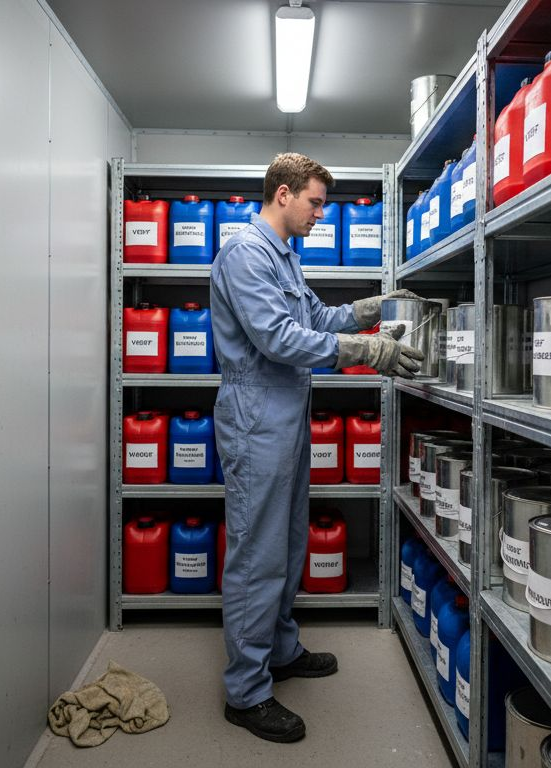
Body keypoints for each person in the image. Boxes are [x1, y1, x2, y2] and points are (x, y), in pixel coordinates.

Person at [210, 153, 425, 743]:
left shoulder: (283, 256)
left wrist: (366, 311)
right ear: (283, 194)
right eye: (315, 202)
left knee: (287, 538)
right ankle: (246, 692)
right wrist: (366, 351)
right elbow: (279, 338)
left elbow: (315, 317)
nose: (319, 214)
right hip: (257, 415)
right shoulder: (246, 254)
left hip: (286, 411)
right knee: (256, 554)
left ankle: (279, 651)